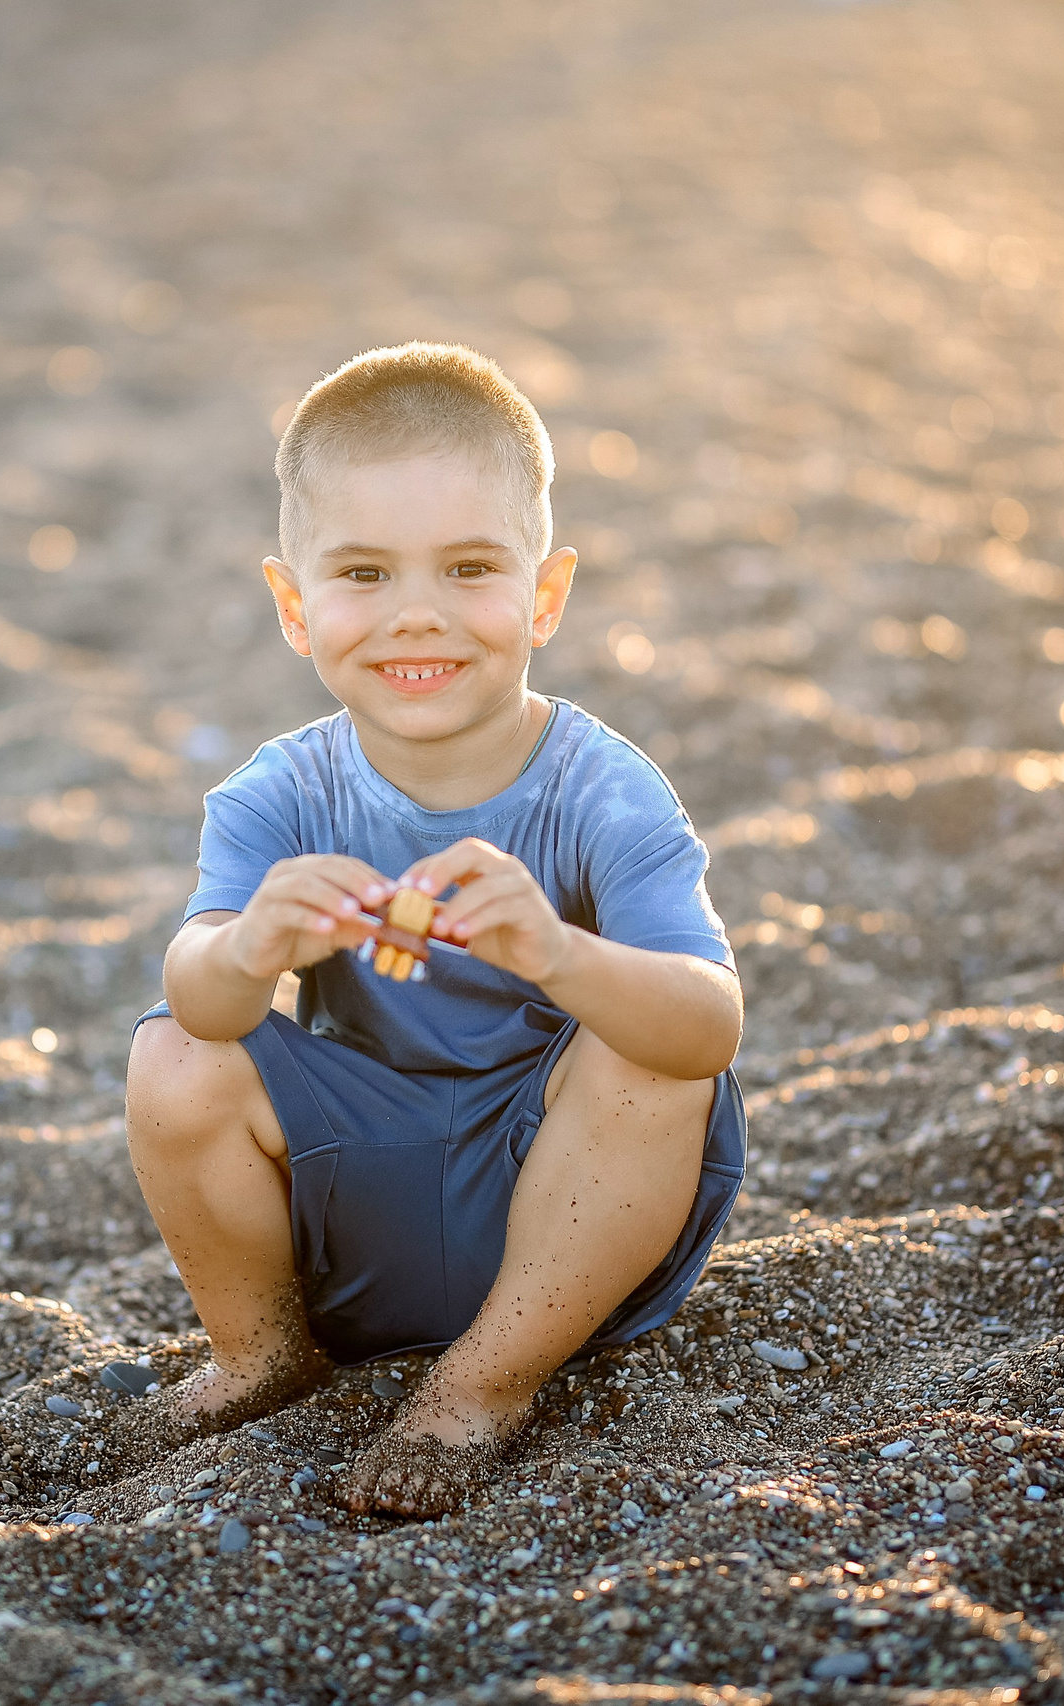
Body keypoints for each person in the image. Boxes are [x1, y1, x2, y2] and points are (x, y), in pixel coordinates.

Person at [126, 342, 747, 1518]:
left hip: (568, 1230)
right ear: (294, 607)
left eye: (468, 567)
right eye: (363, 572)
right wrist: (252, 947)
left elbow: (709, 1027)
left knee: (647, 1052)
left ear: (545, 595)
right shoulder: (278, 793)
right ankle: (260, 1354)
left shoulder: (603, 788)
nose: (417, 613)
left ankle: (476, 1391)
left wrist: (559, 952)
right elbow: (200, 998)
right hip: (358, 1201)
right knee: (172, 1048)